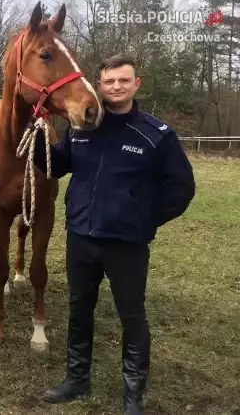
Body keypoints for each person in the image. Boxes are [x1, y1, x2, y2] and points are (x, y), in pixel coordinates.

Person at [35, 54, 196, 414]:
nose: (115, 87)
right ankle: (77, 380)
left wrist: (146, 219)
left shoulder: (156, 135)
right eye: (109, 82)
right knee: (79, 310)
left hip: (127, 243)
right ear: (100, 85)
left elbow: (182, 188)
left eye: (123, 81)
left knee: (131, 316)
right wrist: (36, 142)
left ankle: (133, 394)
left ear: (136, 84)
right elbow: (57, 166)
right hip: (81, 235)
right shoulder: (81, 128)